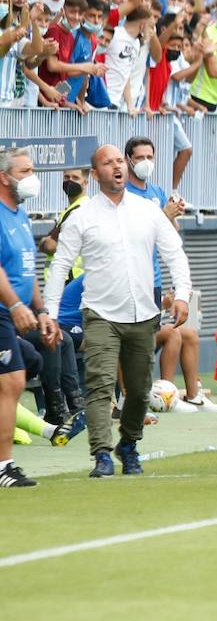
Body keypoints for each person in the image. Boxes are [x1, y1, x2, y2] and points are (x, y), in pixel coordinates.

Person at [46, 144, 192, 478]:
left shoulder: (148, 210)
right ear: (94, 176)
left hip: (143, 315)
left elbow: (175, 254)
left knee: (140, 390)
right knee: (99, 385)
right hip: (99, 315)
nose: (117, 167)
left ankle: (128, 443)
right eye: (107, 163)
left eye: (119, 161)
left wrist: (182, 295)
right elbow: (60, 266)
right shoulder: (82, 217)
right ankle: (101, 454)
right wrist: (51, 313)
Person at [124, 137, 217, 412]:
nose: (145, 163)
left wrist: (173, 215)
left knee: (184, 334)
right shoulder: (126, 194)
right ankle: (154, 397)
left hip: (154, 279)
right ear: (128, 160)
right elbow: (134, 237)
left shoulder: (156, 190)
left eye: (149, 157)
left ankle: (189, 394)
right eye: (139, 157)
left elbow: (170, 233)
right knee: (147, 340)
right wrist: (163, 216)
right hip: (133, 281)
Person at [0, 147, 60, 487]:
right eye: (24, 171)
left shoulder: (20, 216)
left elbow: (27, 271)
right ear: (4, 177)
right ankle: (4, 467)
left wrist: (40, 311)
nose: (31, 178)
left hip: (14, 313)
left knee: (15, 378)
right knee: (11, 382)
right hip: (2, 311)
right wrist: (14, 306)